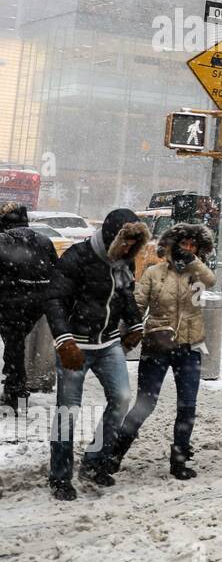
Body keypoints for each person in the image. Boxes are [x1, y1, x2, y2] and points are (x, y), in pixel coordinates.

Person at [44, 209, 151, 501]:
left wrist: (135, 324)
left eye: (133, 242)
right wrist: (64, 341)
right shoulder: (78, 257)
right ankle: (60, 476)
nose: (128, 247)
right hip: (75, 346)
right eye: (124, 240)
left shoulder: (123, 261)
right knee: (68, 411)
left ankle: (94, 462)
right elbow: (54, 298)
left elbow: (126, 294)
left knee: (122, 398)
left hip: (108, 344)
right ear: (110, 236)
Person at [109, 224, 216, 480]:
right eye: (183, 244)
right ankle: (114, 454)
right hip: (157, 346)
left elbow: (210, 280)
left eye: (193, 245)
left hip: (189, 347)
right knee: (144, 404)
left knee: (187, 406)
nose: (187, 249)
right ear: (171, 245)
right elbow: (136, 304)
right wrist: (129, 330)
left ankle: (179, 460)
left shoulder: (198, 274)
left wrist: (193, 262)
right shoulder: (154, 273)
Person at [0, 202, 58, 411]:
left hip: (11, 302)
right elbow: (55, 271)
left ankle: (16, 389)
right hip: (37, 303)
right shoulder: (44, 240)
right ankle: (15, 385)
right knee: (15, 342)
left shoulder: (4, 240)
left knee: (14, 343)